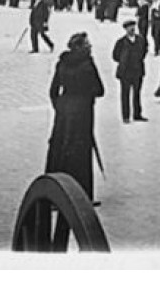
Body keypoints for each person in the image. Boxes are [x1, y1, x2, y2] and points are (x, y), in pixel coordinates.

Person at [47, 32, 104, 199]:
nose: (90, 47)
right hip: (83, 113)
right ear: (80, 47)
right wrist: (87, 96)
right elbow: (99, 90)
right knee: (81, 151)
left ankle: (55, 192)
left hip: (64, 111)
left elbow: (53, 90)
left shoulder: (62, 63)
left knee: (59, 148)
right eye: (87, 44)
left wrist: (59, 107)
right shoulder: (87, 64)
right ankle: (83, 194)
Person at [111, 20, 149, 123]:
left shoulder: (141, 40)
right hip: (125, 72)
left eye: (133, 26)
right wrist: (123, 61)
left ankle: (137, 114)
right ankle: (126, 116)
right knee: (125, 94)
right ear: (125, 29)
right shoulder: (121, 42)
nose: (132, 29)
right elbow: (115, 55)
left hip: (138, 70)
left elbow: (144, 51)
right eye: (129, 27)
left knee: (137, 93)